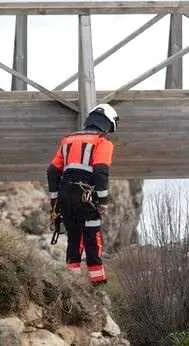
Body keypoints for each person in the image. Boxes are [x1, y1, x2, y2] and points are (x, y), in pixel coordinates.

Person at [46, 103, 119, 286]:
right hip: (86, 198)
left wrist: (55, 201)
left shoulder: (67, 140)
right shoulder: (102, 142)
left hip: (65, 196)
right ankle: (98, 284)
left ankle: (73, 282)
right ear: (107, 124)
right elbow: (101, 171)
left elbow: (52, 171)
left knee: (74, 237)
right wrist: (103, 201)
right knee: (92, 237)